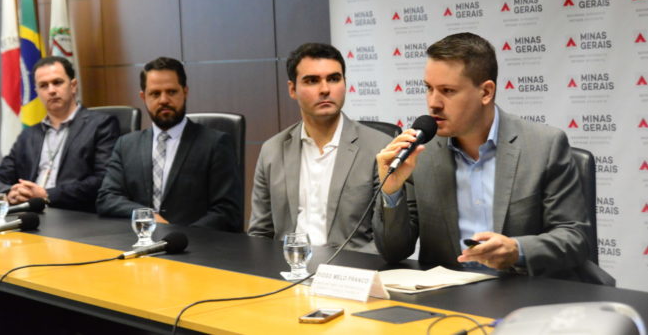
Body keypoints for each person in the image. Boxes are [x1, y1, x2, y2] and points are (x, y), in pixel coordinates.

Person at [373, 32, 603, 281]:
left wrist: (517, 250)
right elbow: (394, 252)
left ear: (486, 92)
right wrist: (391, 191)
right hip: (449, 295)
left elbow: (575, 238)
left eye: (448, 91)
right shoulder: (420, 152)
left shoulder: (544, 146)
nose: (433, 103)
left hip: (525, 289)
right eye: (429, 88)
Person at [248, 43, 391, 251]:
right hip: (288, 265)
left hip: (352, 267)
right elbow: (260, 234)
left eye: (334, 79)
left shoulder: (380, 148)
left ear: (345, 83)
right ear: (292, 89)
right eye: (312, 81)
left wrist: (343, 267)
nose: (325, 89)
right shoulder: (272, 151)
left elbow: (388, 240)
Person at [96, 57, 242, 231]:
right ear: (143, 97)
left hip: (195, 244)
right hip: (139, 242)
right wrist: (148, 216)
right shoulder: (126, 144)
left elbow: (228, 212)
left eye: (171, 92)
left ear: (185, 92)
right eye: (155, 94)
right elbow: (107, 198)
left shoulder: (215, 144)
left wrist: (182, 237)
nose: (164, 100)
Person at [0, 56, 120, 212]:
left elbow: (103, 180)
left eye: (57, 82)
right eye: (43, 85)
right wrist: (10, 193)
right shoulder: (29, 135)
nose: (51, 90)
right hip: (31, 214)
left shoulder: (101, 125)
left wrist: (47, 195)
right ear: (37, 92)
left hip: (74, 215)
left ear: (73, 86)